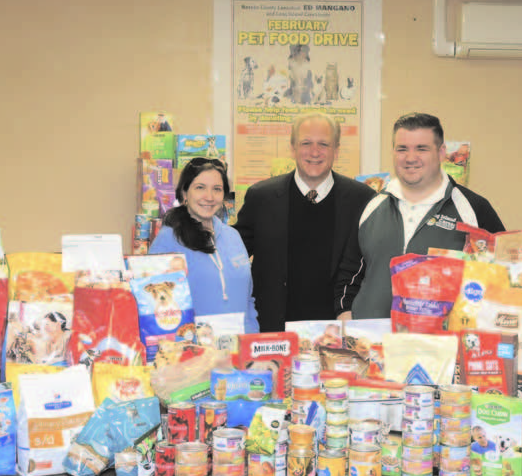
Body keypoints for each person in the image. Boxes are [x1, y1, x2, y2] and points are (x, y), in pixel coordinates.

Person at [351, 112, 505, 319]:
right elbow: (349, 270)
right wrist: (344, 313)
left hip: (441, 345)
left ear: (441, 152)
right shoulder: (371, 205)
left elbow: (501, 276)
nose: (410, 158)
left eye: (421, 149)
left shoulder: (473, 208)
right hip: (371, 342)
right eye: (402, 149)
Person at [235, 112, 376, 332]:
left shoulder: (363, 199)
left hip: (337, 333)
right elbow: (233, 253)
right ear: (292, 148)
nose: (314, 152)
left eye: (323, 144)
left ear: (336, 150)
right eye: (306, 143)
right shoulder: (261, 198)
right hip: (274, 332)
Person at [149, 158, 259, 333]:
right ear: (185, 193)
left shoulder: (233, 236)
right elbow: (156, 305)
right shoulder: (168, 240)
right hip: (195, 351)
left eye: (217, 189)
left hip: (239, 349)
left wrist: (252, 336)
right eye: (200, 187)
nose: (209, 197)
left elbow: (248, 299)